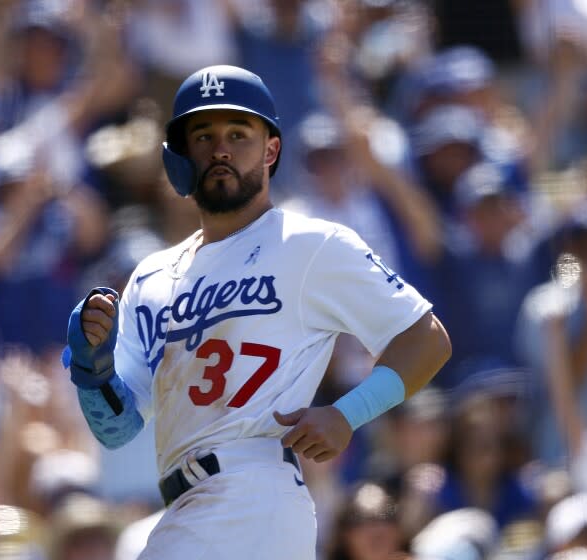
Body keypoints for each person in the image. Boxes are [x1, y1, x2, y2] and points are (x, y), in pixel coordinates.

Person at [63, 65, 451, 559]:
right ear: (179, 156)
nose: (220, 149)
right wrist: (91, 367)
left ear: (270, 150)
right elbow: (117, 429)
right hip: (186, 506)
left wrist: (348, 413)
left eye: (238, 134)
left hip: (253, 491)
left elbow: (427, 338)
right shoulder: (151, 276)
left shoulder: (312, 245)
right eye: (203, 135)